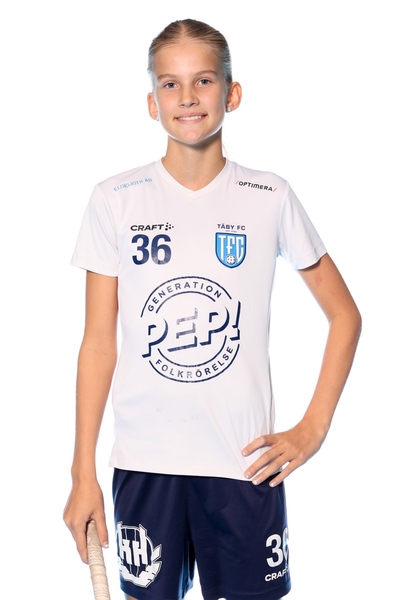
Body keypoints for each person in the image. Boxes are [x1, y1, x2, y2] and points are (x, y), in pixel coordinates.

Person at [63, 18, 361, 600]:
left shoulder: (269, 195)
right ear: (152, 103)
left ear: (232, 93)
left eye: (203, 80)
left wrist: (313, 429)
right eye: (170, 84)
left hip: (243, 467)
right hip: (146, 465)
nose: (187, 97)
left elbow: (345, 316)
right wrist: (82, 473)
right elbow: (97, 345)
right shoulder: (114, 200)